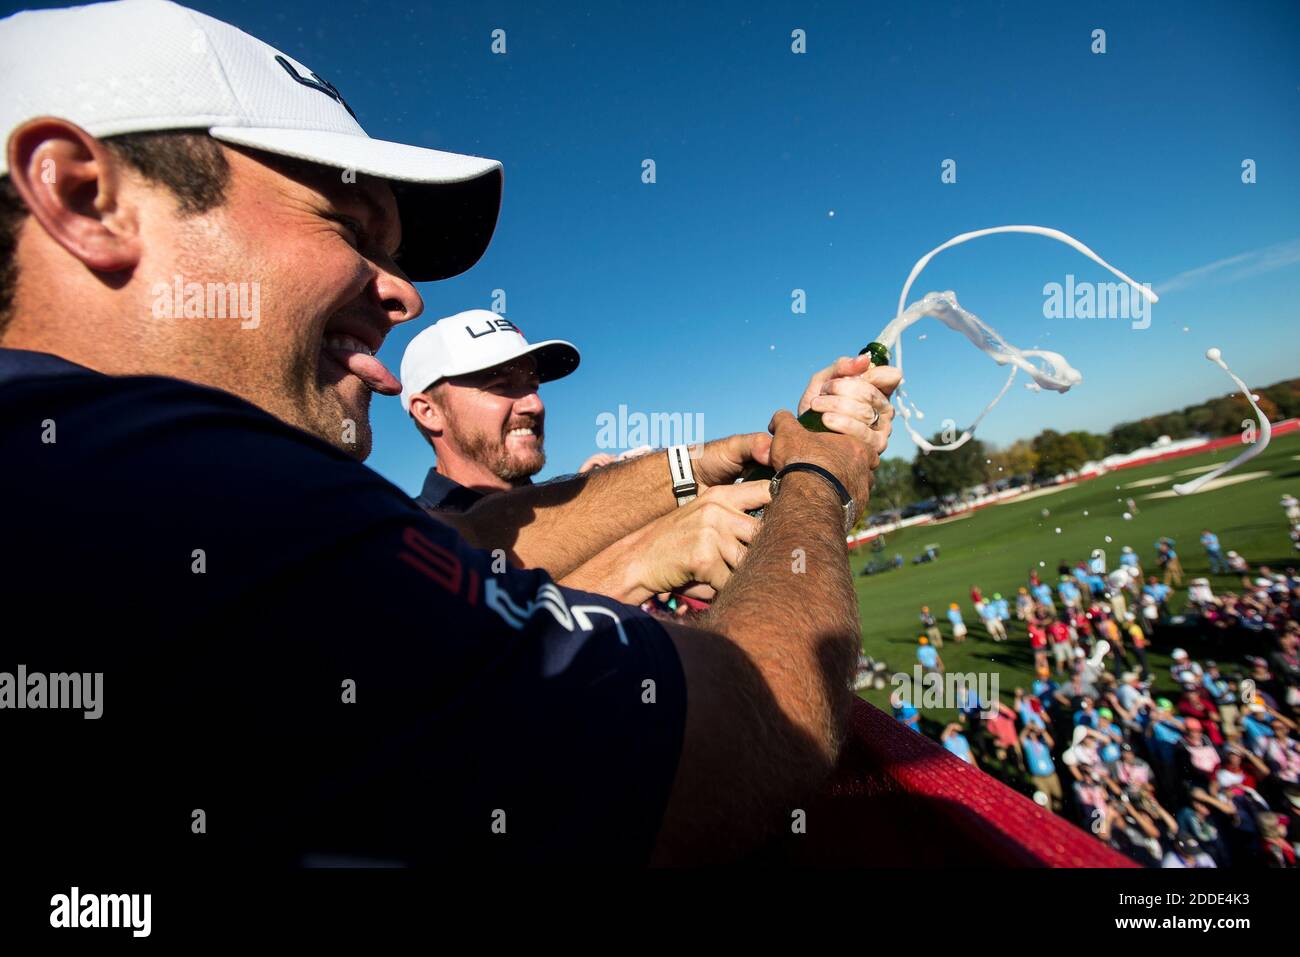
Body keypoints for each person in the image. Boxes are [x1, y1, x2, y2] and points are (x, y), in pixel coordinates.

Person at [0, 0, 902, 868]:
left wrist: (706, 460)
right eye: (351, 227)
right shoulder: (182, 488)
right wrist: (820, 479)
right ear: (85, 196)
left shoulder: (81, 470)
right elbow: (746, 724)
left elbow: (446, 545)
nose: (402, 293)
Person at [1022, 726, 1063, 812]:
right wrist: (1027, 728)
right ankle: (1050, 819)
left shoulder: (1043, 743)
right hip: (1038, 778)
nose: (1032, 734)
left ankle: (1059, 814)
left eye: (1034, 732)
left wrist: (1043, 731)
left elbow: (1051, 743)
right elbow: (1021, 738)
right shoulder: (1028, 744)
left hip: (1051, 775)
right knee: (1045, 802)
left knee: (1058, 796)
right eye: (1031, 733)